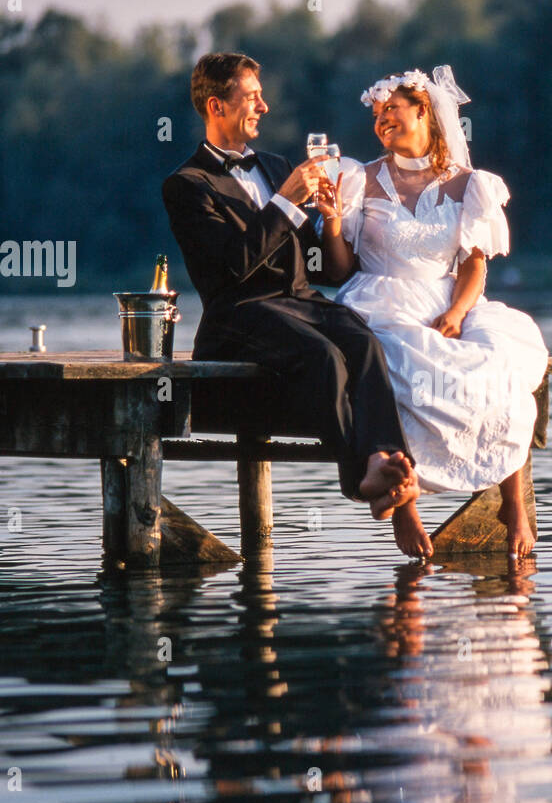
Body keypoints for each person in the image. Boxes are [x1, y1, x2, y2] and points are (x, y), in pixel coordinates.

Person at [161, 52, 422, 538]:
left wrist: (330, 219)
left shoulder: (277, 165)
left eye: (262, 96)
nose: (263, 106)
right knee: (324, 356)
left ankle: (386, 459)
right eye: (252, 97)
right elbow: (235, 266)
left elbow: (317, 267)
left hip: (300, 303)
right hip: (239, 315)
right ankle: (361, 480)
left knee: (363, 342)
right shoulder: (187, 185)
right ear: (217, 106)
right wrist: (285, 201)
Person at [316, 66, 549, 561]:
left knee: (498, 358)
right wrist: (333, 220)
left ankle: (512, 499)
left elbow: (473, 266)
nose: (382, 121)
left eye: (392, 110)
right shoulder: (360, 179)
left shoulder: (470, 184)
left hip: (447, 297)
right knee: (397, 364)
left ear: (424, 109)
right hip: (380, 297)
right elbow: (337, 270)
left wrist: (459, 312)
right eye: (377, 115)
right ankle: (405, 501)